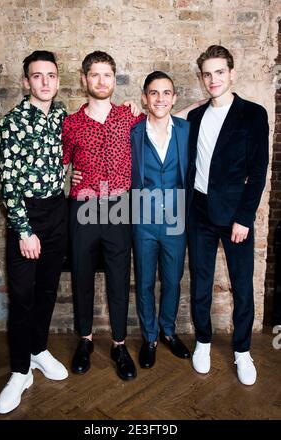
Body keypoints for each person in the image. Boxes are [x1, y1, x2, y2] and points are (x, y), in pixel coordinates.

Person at [186, 45, 269, 385]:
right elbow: (166, 116)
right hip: (199, 212)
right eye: (207, 74)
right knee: (201, 282)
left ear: (232, 74)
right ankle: (203, 342)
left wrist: (245, 218)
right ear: (202, 78)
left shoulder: (253, 114)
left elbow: (259, 170)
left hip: (235, 215)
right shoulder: (195, 116)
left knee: (242, 286)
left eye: (220, 72)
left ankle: (242, 351)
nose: (213, 79)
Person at [62, 51, 145, 381]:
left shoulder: (129, 117)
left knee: (118, 278)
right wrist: (66, 177)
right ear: (84, 79)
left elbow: (165, 117)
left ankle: (119, 344)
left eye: (107, 74)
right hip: (82, 207)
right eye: (94, 74)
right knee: (81, 275)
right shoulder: (70, 123)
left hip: (117, 206)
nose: (101, 81)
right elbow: (59, 165)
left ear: (114, 79)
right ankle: (85, 340)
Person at [0, 50, 68, 414]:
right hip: (27, 215)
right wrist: (24, 231)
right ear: (26, 81)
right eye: (37, 76)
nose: (44, 82)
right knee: (23, 298)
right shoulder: (10, 124)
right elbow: (8, 184)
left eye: (50, 75)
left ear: (57, 80)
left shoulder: (61, 115)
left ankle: (38, 350)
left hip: (58, 211)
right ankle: (20, 372)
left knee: (48, 289)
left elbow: (70, 155)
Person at [131, 71, 191, 368]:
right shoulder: (132, 131)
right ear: (145, 97)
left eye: (166, 93)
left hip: (176, 217)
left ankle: (168, 331)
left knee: (172, 280)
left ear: (174, 98)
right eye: (154, 93)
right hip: (142, 219)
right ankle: (150, 337)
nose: (160, 98)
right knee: (144, 283)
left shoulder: (185, 129)